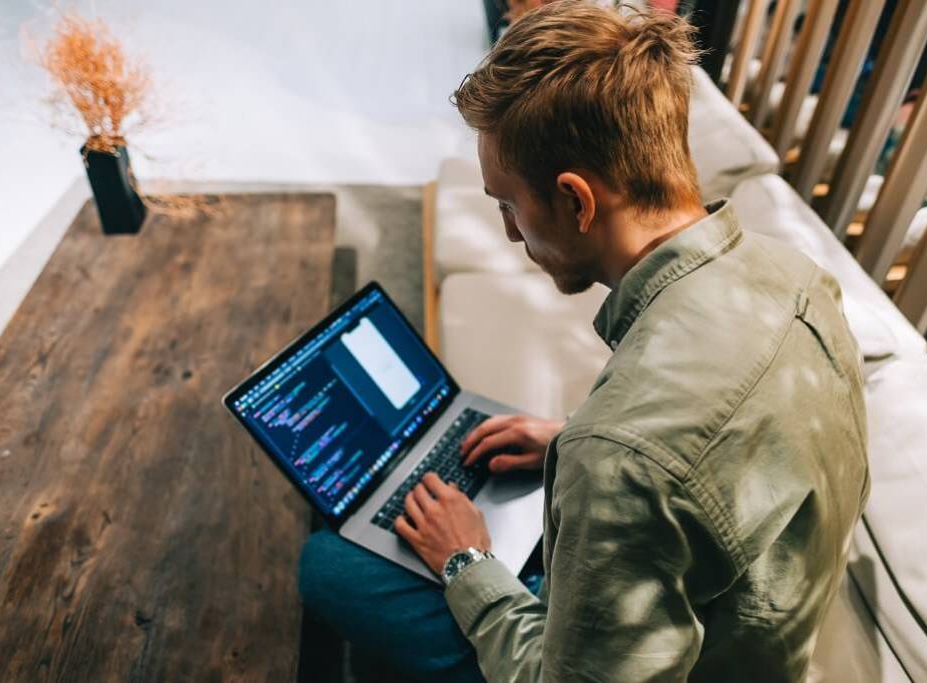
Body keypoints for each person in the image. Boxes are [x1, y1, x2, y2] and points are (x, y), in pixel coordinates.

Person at [299, 2, 869, 681]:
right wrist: (565, 442)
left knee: (326, 563)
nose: (509, 233)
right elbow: (725, 447)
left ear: (576, 201)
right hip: (743, 611)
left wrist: (467, 561)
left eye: (507, 204)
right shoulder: (799, 279)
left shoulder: (620, 460)